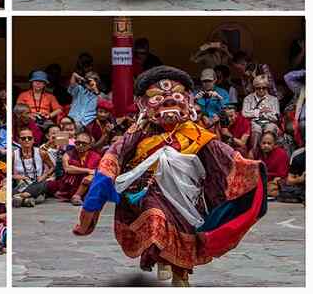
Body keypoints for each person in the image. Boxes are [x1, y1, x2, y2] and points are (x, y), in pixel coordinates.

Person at [73, 66, 266, 286]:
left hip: (187, 197)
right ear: (143, 104)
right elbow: (115, 154)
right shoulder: (138, 133)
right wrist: (106, 175)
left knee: (185, 234)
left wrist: (249, 167)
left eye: (176, 96)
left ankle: (180, 276)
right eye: (157, 97)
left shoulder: (196, 132)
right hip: (149, 191)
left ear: (188, 100)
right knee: (156, 219)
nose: (168, 101)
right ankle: (162, 258)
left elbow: (224, 155)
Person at [47, 131, 101, 205]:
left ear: (89, 145)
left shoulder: (96, 156)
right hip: (70, 185)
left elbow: (96, 172)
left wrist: (87, 172)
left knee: (90, 177)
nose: (80, 145)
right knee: (47, 185)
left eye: (84, 144)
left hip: (87, 186)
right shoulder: (68, 154)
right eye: (78, 143)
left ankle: (77, 196)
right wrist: (88, 170)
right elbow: (67, 169)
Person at [12, 127, 53, 207]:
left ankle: (20, 197)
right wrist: (16, 176)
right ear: (19, 140)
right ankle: (27, 199)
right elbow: (7, 173)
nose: (27, 140)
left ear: (33, 140)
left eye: (29, 138)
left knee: (44, 184)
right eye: (23, 138)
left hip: (37, 183)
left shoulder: (41, 153)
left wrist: (44, 176)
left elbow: (52, 167)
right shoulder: (13, 155)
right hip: (21, 185)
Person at [258, 131, 289, 199]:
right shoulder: (258, 153)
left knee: (272, 189)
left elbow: (281, 176)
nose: (266, 145)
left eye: (269, 143)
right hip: (262, 181)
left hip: (276, 181)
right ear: (260, 143)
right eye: (264, 143)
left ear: (275, 144)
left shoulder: (281, 154)